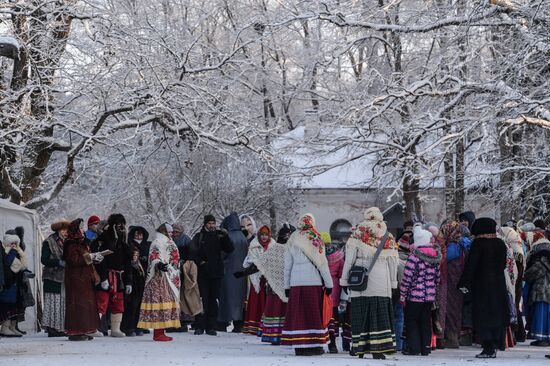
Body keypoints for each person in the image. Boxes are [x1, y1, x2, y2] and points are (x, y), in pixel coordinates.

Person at [340, 207, 398, 360]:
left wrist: (344, 280)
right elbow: (393, 263)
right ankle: (378, 349)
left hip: (361, 280)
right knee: (379, 315)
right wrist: (393, 283)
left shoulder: (358, 233)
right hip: (381, 280)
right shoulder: (388, 236)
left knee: (361, 314)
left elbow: (349, 260)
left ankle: (359, 347)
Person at [282, 213, 333, 356]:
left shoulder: (293, 238)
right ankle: (315, 345)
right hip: (313, 282)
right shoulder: (316, 238)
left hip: (296, 283)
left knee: (299, 315)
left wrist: (286, 286)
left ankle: (299, 345)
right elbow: (323, 264)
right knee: (313, 314)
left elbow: (287, 265)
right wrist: (329, 284)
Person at [458, 218, 510, 359]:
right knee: (496, 315)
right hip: (498, 285)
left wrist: (463, 283)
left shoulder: (478, 244)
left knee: (483, 316)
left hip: (482, 286)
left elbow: (471, 266)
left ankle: (488, 348)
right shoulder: (500, 243)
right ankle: (495, 344)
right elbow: (504, 264)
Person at [400, 225, 441, 356]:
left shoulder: (414, 257)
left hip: (414, 295)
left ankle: (414, 348)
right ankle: (426, 347)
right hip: (429, 296)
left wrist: (403, 293)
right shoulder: (435, 257)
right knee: (425, 321)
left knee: (412, 321)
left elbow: (407, 277)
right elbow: (437, 278)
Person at [137, 223, 181, 341]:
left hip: (167, 276)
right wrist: (159, 264)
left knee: (165, 302)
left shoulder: (168, 241)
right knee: (160, 302)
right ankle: (158, 332)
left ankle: (161, 331)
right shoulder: (157, 242)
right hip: (159, 278)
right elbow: (154, 256)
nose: (171, 234)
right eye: (170, 232)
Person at [93, 213, 134, 338]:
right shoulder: (103, 239)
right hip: (105, 275)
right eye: (118, 225)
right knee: (101, 302)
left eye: (123, 225)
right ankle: (93, 328)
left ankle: (116, 329)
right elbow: (99, 260)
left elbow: (128, 264)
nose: (121, 228)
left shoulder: (124, 242)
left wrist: (128, 282)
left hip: (119, 277)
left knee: (118, 303)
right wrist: (104, 278)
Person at [191, 214, 233, 335]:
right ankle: (200, 325)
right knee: (201, 300)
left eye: (213, 223)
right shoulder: (199, 236)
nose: (212, 225)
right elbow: (193, 253)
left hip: (216, 273)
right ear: (205, 224)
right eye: (209, 223)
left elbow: (230, 249)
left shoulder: (220, 236)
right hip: (203, 274)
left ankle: (211, 326)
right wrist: (201, 262)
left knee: (213, 300)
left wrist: (225, 237)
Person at [64, 219, 103, 341]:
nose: (82, 230)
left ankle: (85, 329)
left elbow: (86, 258)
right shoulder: (70, 244)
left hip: (85, 278)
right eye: (80, 228)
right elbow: (74, 260)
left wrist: (95, 258)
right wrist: (89, 257)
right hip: (75, 279)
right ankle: (75, 332)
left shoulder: (82, 243)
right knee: (77, 306)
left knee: (86, 306)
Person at [439, 220, 470, 348]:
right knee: (457, 309)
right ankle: (456, 336)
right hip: (460, 281)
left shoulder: (452, 247)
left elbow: (443, 260)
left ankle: (451, 339)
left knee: (451, 309)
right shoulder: (463, 244)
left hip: (452, 282)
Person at [218, 212, 249, 333]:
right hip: (241, 273)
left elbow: (223, 254)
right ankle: (238, 323)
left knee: (226, 297)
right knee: (239, 299)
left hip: (228, 271)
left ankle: (223, 322)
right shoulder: (243, 237)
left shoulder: (228, 236)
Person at [242, 225, 273, 336]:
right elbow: (248, 261)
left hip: (268, 278)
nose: (264, 237)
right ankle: (253, 326)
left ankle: (265, 326)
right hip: (256, 278)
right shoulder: (254, 244)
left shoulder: (273, 245)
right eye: (262, 235)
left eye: (266, 235)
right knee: (256, 301)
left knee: (266, 301)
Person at [41, 219, 70, 337]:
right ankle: (52, 329)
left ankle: (60, 327)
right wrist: (58, 262)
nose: (65, 232)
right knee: (53, 303)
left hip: (64, 277)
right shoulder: (49, 242)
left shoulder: (68, 242)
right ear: (58, 230)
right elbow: (44, 259)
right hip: (51, 277)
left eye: (66, 230)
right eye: (63, 230)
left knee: (61, 303)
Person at [524, 232, 550, 347]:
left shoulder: (541, 261)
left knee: (541, 316)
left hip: (541, 291)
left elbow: (531, 274)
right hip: (547, 291)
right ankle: (542, 338)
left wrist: (525, 274)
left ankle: (542, 338)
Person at [0, 233, 27, 337]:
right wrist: (10, 251)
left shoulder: (16, 252)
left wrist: (20, 251)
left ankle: (12, 327)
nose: (14, 245)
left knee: (14, 305)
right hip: (8, 282)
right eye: (12, 243)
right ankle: (5, 327)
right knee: (7, 305)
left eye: (16, 243)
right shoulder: (5, 252)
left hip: (15, 282)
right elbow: (6, 262)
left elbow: (24, 265)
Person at [121, 246, 146, 336]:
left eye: (137, 254)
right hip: (133, 289)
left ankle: (138, 327)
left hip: (140, 289)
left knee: (138, 309)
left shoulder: (139, 264)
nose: (135, 256)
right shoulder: (128, 264)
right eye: (134, 254)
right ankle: (128, 328)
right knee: (131, 308)